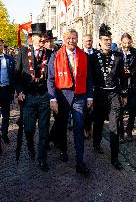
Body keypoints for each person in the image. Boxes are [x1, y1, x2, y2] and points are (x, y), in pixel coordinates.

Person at [47, 29, 93, 175]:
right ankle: (63, 150)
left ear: (77, 39)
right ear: (64, 39)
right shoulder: (55, 56)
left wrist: (90, 96)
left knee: (79, 128)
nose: (71, 40)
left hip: (79, 96)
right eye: (68, 38)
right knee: (61, 126)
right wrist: (52, 98)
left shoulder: (84, 56)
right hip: (62, 96)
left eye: (74, 38)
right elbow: (51, 79)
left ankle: (80, 162)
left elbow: (89, 78)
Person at [15, 23, 52, 172]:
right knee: (29, 129)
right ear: (33, 38)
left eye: (44, 36)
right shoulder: (23, 52)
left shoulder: (49, 54)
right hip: (29, 97)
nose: (43, 39)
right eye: (40, 36)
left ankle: (42, 158)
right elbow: (16, 76)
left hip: (44, 96)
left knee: (44, 129)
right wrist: (20, 91)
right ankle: (30, 145)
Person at [90, 24, 127, 170]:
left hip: (113, 95)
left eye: (109, 39)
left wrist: (123, 94)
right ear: (99, 41)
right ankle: (96, 143)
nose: (107, 42)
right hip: (99, 94)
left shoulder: (118, 56)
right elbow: (90, 78)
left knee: (114, 126)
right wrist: (89, 97)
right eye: (105, 39)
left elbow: (123, 77)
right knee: (98, 122)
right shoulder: (92, 57)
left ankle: (115, 157)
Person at [120, 33, 136, 142]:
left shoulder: (135, 52)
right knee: (120, 110)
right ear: (121, 42)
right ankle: (120, 132)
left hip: (133, 85)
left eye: (129, 43)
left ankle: (129, 129)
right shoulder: (116, 52)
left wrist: (132, 72)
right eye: (124, 43)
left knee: (133, 108)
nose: (127, 45)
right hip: (120, 85)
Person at [0, 38, 15, 146]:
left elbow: (14, 76)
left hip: (6, 90)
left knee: (6, 114)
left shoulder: (9, 59)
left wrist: (13, 91)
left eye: (0, 45)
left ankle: (4, 133)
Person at [83, 34, 97, 139]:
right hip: (84, 84)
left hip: (96, 84)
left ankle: (92, 129)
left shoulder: (96, 53)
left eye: (90, 41)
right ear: (83, 41)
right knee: (86, 109)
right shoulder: (80, 53)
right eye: (87, 41)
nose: (89, 43)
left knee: (94, 109)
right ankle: (86, 129)